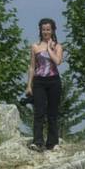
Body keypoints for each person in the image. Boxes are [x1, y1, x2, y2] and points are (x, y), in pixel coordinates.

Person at [26, 18, 64, 150]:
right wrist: (29, 85)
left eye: (48, 29)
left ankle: (52, 142)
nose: (46, 32)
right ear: (40, 31)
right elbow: (32, 67)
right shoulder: (35, 46)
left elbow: (58, 61)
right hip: (39, 81)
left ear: (52, 30)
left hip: (53, 81)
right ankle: (37, 141)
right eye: (43, 29)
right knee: (39, 111)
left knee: (52, 112)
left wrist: (49, 48)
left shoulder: (58, 46)